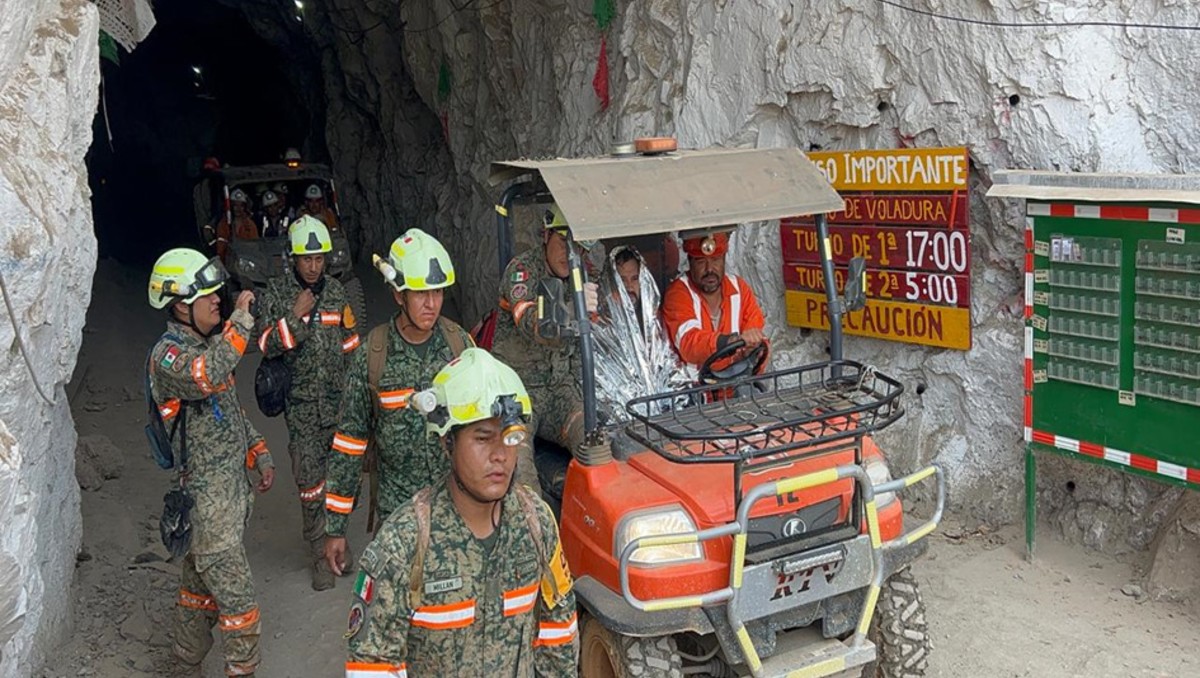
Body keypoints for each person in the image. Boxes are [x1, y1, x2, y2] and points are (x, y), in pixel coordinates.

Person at [342, 348, 578, 676]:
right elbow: (371, 665)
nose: (500, 455)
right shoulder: (404, 543)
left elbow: (558, 636)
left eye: (509, 439)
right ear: (447, 443)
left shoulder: (536, 524)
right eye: (482, 438)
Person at [146, 248, 274, 676]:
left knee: (197, 596)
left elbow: (230, 413)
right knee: (241, 609)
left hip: (223, 507)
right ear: (181, 304)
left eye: (220, 294)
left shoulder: (203, 344)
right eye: (208, 296)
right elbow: (207, 375)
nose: (218, 300)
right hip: (208, 510)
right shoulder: (169, 357)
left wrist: (259, 452)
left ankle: (184, 664)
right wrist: (241, 318)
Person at [324, 228, 473, 579]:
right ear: (398, 295)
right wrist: (335, 527)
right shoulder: (373, 356)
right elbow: (349, 444)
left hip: (456, 512)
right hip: (397, 517)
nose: (431, 303)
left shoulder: (459, 346)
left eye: (437, 292)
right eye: (420, 293)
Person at [254, 216, 360, 590]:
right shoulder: (278, 295)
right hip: (301, 408)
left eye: (319, 258)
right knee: (311, 483)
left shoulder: (336, 292)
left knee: (342, 479)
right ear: (293, 258)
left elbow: (350, 344)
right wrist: (294, 317)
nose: (314, 266)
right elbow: (265, 345)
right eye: (306, 259)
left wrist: (357, 389)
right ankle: (318, 553)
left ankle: (337, 544)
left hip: (337, 404)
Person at [490, 203, 600, 494]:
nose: (571, 254)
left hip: (562, 389)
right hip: (519, 391)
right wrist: (574, 309)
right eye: (564, 243)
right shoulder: (522, 272)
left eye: (579, 246)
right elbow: (531, 323)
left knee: (598, 449)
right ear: (546, 235)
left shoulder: (584, 274)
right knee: (521, 479)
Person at [662, 231, 769, 375]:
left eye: (716, 260)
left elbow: (756, 333)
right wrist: (729, 341)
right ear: (690, 261)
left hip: (735, 385)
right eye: (701, 261)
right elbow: (689, 343)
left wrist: (754, 349)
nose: (709, 269)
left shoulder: (739, 288)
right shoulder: (679, 292)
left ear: (724, 259)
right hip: (694, 390)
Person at [215, 189, 259, 262]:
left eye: (241, 205)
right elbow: (220, 248)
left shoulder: (250, 225)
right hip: (229, 263)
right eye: (235, 205)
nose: (238, 209)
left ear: (245, 207)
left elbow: (255, 247)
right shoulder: (223, 224)